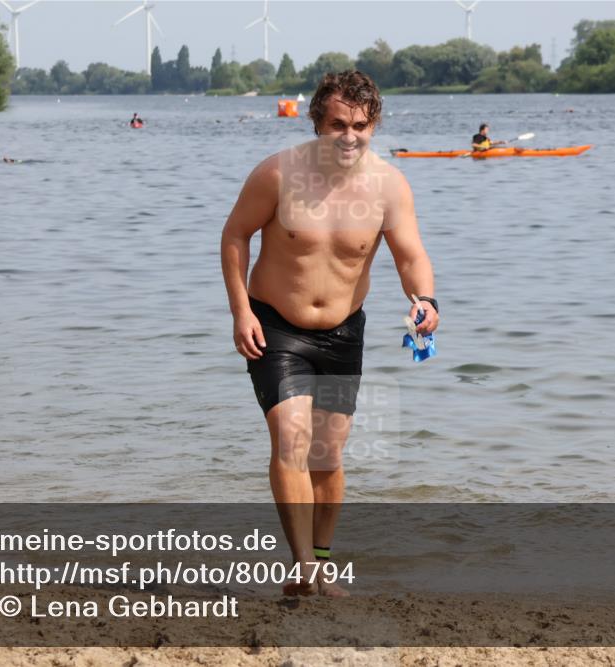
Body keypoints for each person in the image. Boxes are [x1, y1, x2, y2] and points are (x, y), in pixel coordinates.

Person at [221, 70, 439, 597]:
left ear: (374, 124)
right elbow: (234, 236)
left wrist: (426, 300)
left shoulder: (388, 186)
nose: (349, 136)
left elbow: (410, 255)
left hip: (344, 335)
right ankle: (301, 569)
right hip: (275, 327)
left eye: (361, 125)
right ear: (316, 122)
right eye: (337, 124)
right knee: (291, 439)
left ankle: (321, 561)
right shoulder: (277, 175)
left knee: (329, 456)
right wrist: (240, 313)